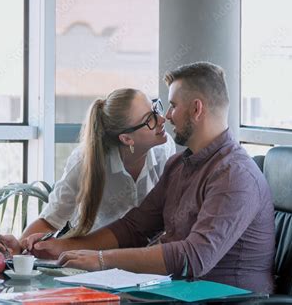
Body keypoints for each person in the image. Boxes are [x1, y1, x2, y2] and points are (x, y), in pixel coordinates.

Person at [22, 62, 276, 293]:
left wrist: (102, 259)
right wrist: (64, 247)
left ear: (197, 109)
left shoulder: (234, 175)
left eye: (174, 106)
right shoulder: (179, 165)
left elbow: (193, 258)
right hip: (176, 291)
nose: (166, 116)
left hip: (225, 297)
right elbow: (134, 227)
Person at [0, 88, 175, 255]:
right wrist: (17, 249)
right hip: (90, 255)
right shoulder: (84, 161)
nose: (162, 119)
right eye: (150, 119)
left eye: (155, 109)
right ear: (126, 138)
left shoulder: (164, 151)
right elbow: (52, 219)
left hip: (141, 258)